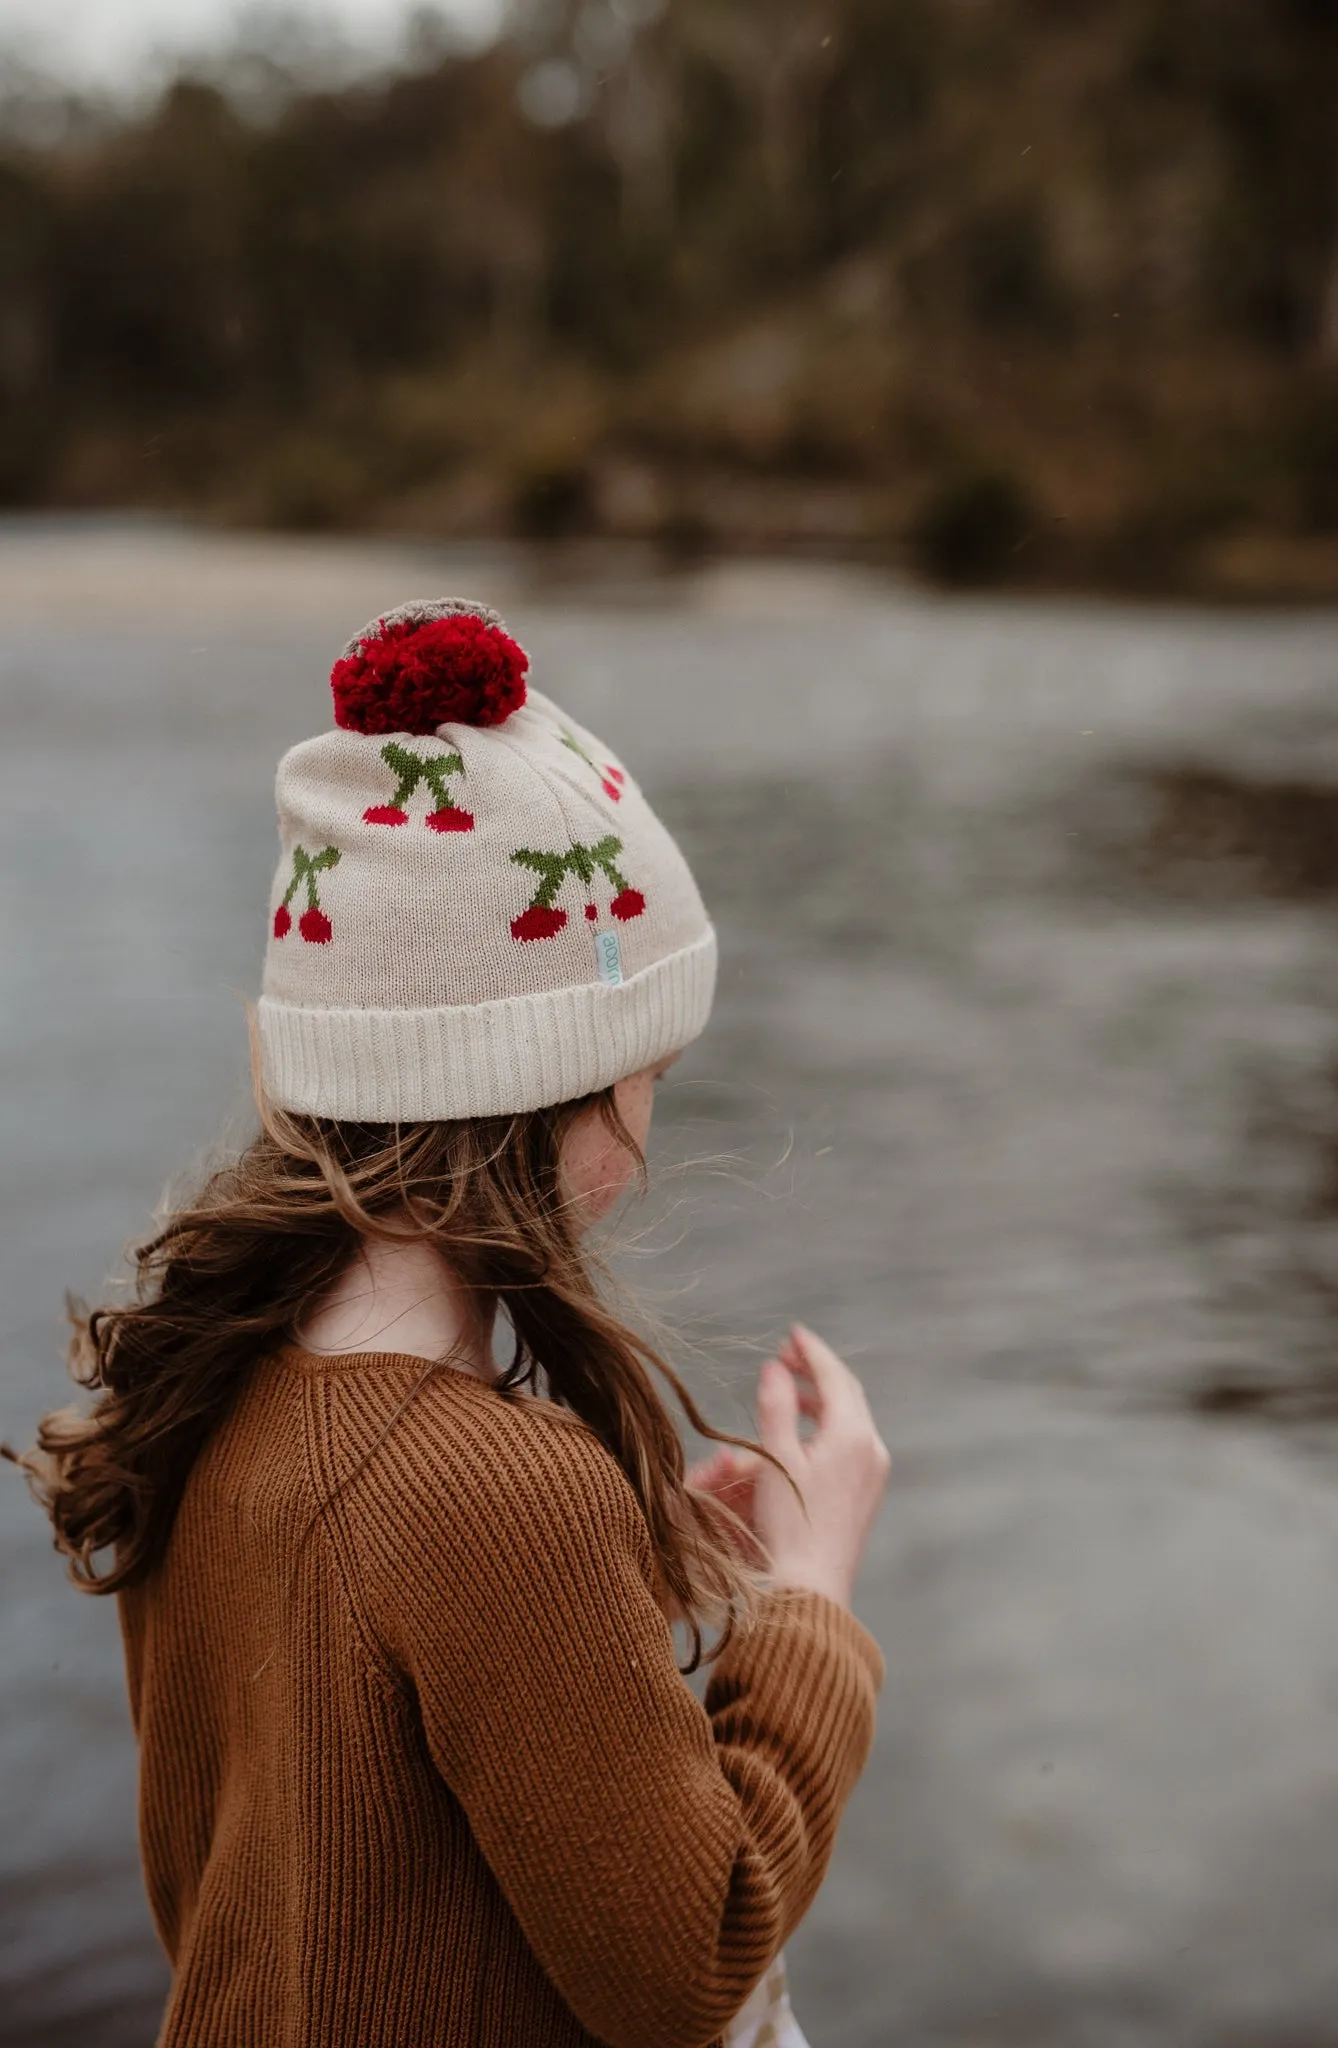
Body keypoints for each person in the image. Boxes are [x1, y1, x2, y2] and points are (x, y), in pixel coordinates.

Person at [12, 597, 890, 2048]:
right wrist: (808, 1607)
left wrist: (628, 1588)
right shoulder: (496, 1492)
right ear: (556, 1084)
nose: (652, 1134)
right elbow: (691, 1973)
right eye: (649, 1073)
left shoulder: (213, 1385)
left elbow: (320, 1821)